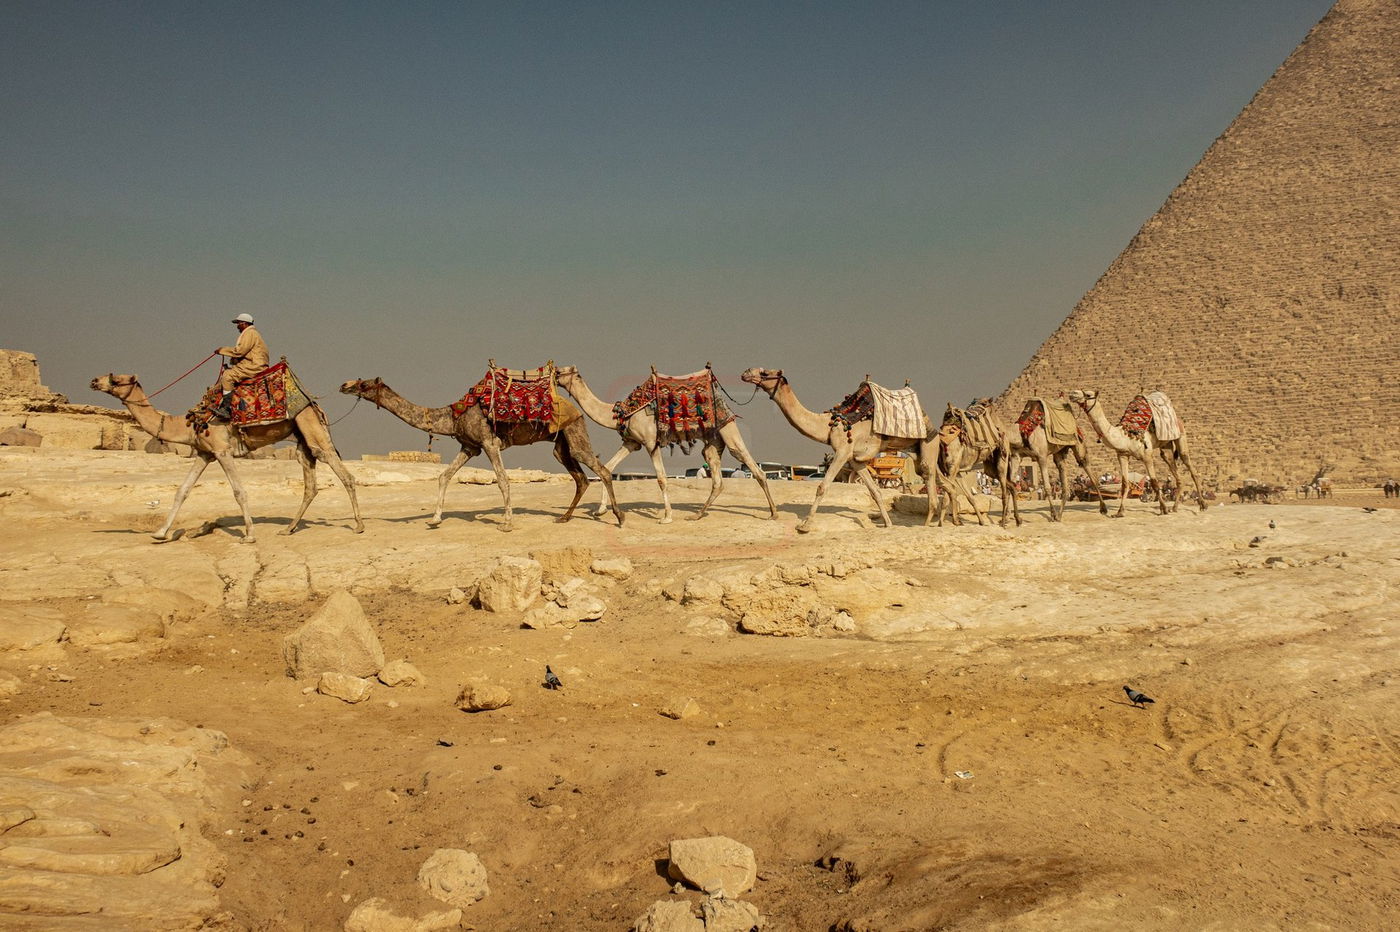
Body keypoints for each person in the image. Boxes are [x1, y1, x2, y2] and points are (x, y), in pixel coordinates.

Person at [212, 313, 270, 419]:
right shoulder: (252, 334)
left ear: (244, 323)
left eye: (238, 323)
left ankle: (226, 408)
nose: (237, 326)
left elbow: (240, 351)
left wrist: (222, 350)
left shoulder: (250, 333)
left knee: (227, 375)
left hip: (254, 366)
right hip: (254, 364)